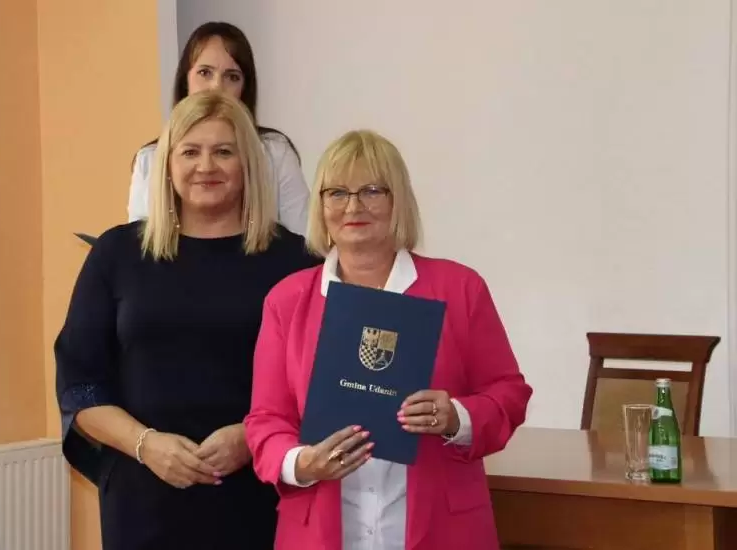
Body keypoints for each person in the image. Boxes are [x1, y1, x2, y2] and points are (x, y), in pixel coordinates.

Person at [55, 90, 321, 550]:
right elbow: (80, 385)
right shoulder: (116, 254)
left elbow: (320, 383)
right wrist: (146, 444)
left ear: (249, 163)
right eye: (190, 152)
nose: (206, 166)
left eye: (224, 152)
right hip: (142, 500)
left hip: (259, 499)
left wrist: (252, 437)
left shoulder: (296, 261)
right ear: (168, 164)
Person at [244, 129, 533, 549]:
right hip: (320, 531)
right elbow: (266, 420)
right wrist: (302, 463)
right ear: (320, 205)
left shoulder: (459, 289)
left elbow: (508, 393)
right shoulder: (287, 301)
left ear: (399, 200)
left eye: (372, 191)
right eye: (337, 192)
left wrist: (456, 417)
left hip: (442, 530)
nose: (353, 206)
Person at [128, 21, 310, 234]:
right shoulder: (150, 158)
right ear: (185, 80)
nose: (216, 86)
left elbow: (304, 239)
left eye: (232, 77)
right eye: (205, 73)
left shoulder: (275, 153)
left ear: (244, 88)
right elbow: (139, 243)